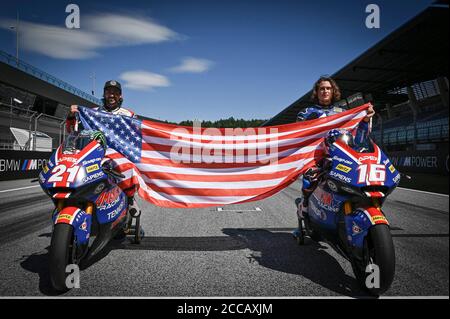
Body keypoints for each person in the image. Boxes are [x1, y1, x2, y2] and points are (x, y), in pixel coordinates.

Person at [293, 76, 375, 237]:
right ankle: (304, 219)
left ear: (333, 91)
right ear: (316, 92)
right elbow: (298, 136)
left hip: (341, 158)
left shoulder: (344, 113)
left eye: (328, 88)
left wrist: (365, 119)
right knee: (307, 184)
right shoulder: (306, 113)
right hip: (315, 159)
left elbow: (359, 137)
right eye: (322, 88)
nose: (325, 91)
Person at [66, 80, 140, 217]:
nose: (111, 95)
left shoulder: (129, 114)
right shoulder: (91, 112)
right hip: (94, 152)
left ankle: (129, 199)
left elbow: (136, 137)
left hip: (118, 153)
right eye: (108, 92)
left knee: (128, 167)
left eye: (115, 93)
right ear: (104, 94)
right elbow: (72, 132)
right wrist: (71, 117)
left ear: (120, 96)